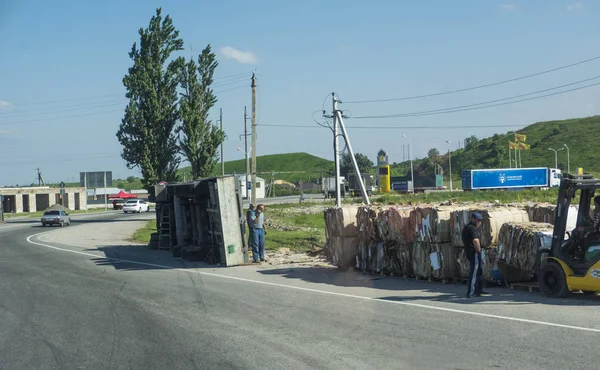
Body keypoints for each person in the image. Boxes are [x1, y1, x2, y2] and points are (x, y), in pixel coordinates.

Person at [461, 211, 489, 298]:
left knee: (479, 272)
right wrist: (479, 250)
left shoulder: (467, 227)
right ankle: (471, 292)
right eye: (477, 220)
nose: (479, 222)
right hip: (474, 253)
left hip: (470, 252)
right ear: (473, 219)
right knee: (474, 272)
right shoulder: (472, 228)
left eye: (480, 220)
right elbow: (475, 240)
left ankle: (478, 290)